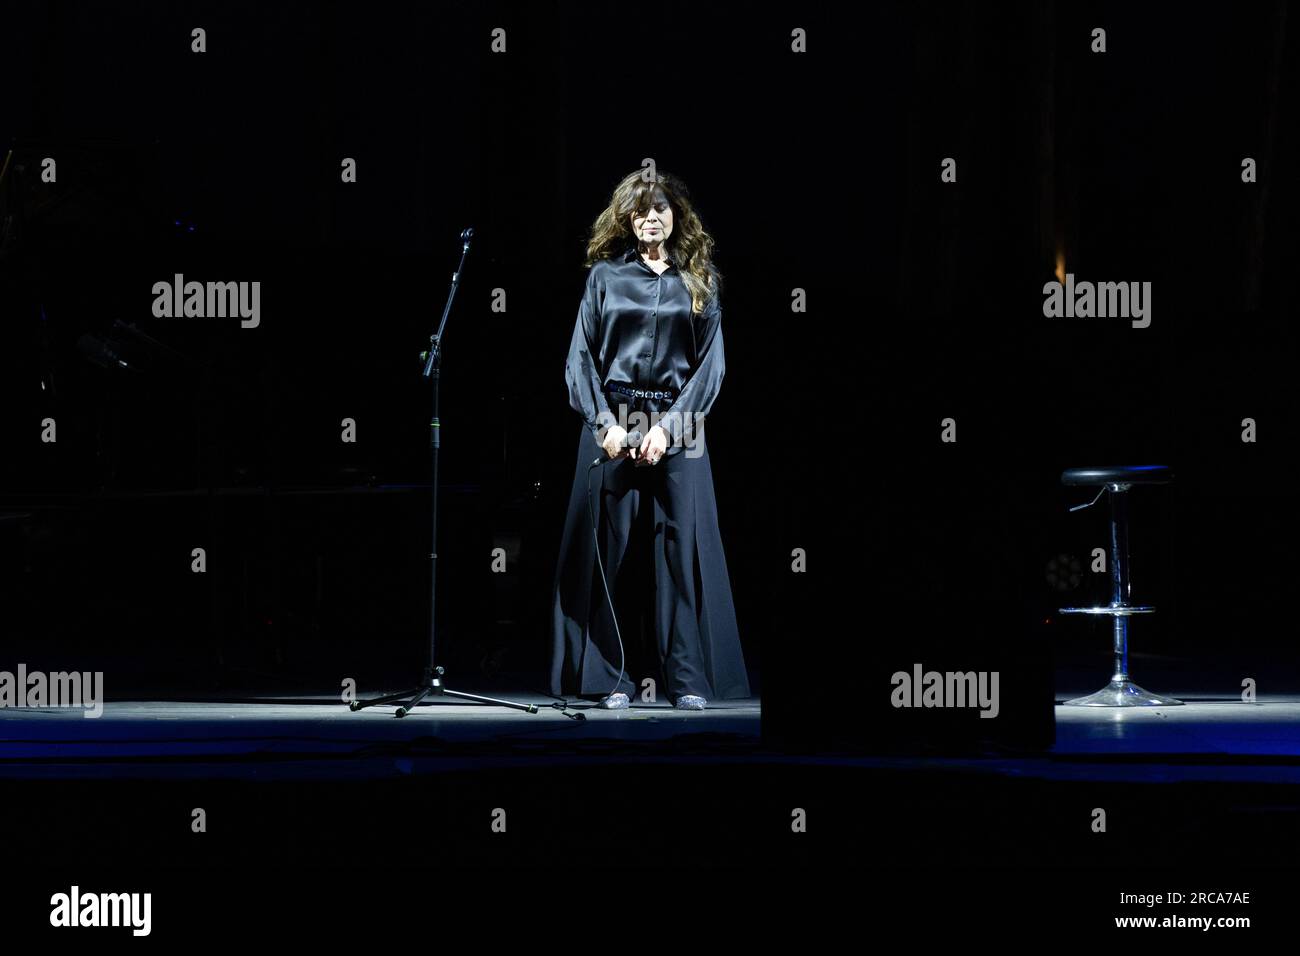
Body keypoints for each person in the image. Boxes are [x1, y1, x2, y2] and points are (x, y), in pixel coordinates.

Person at [549, 170, 751, 711]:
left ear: (677, 215)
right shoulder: (605, 279)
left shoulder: (700, 278)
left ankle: (685, 678)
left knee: (679, 551)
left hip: (678, 425)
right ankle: (609, 677)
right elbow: (579, 359)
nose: (651, 217)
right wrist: (604, 424)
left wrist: (669, 429)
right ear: (627, 220)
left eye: (660, 207)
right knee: (610, 549)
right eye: (640, 211)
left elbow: (712, 367)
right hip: (613, 418)